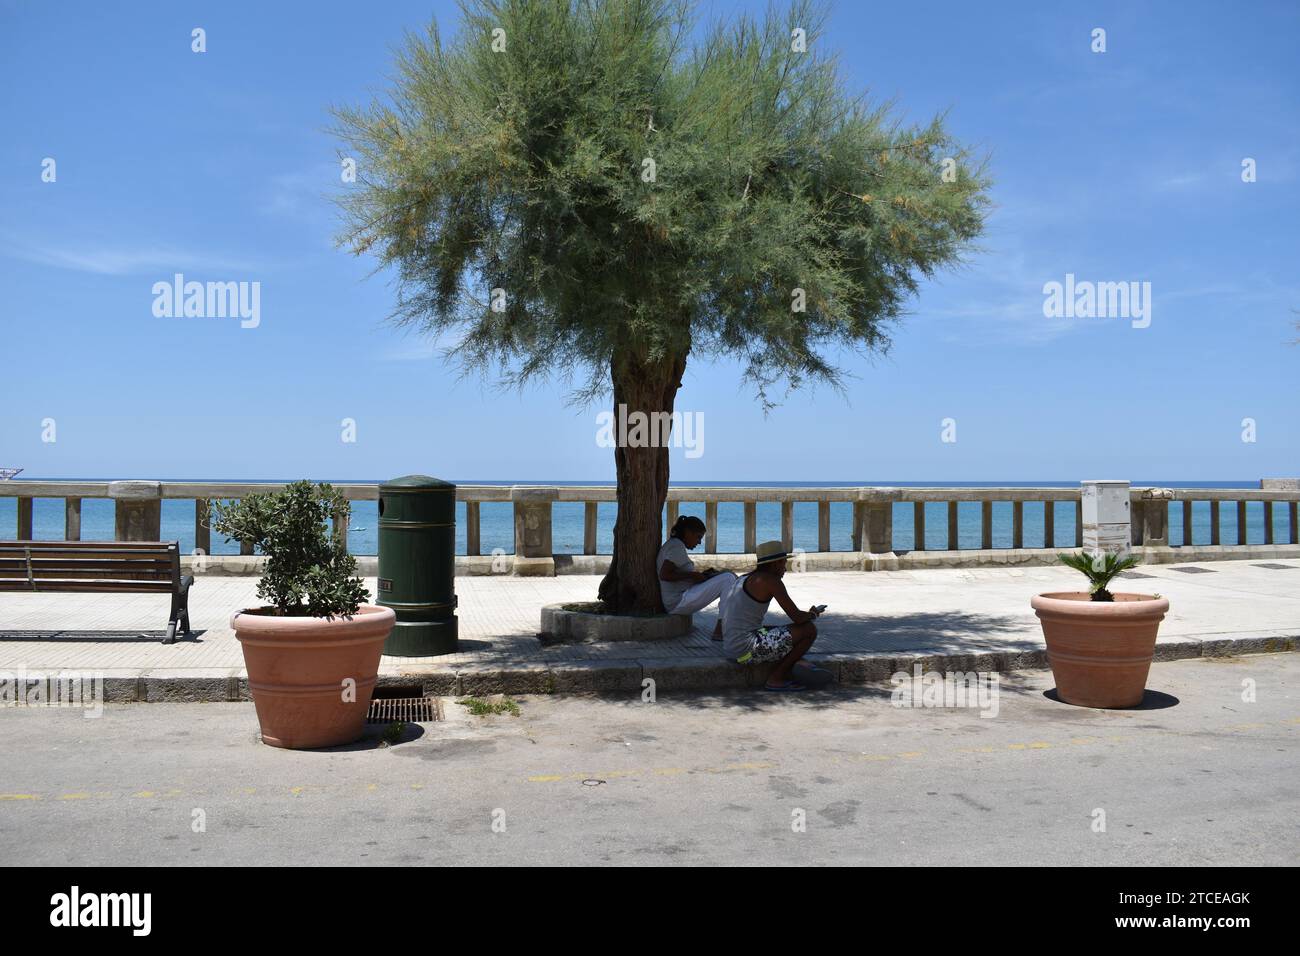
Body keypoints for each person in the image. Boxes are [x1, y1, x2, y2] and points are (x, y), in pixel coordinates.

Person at [721, 540, 823, 691]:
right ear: (775, 564)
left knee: (779, 629)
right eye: (783, 564)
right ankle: (777, 677)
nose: (785, 569)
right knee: (808, 630)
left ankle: (794, 660)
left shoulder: (745, 578)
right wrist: (813, 614)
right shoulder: (771, 581)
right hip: (745, 651)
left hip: (731, 647)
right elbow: (797, 617)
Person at [657, 515, 737, 640]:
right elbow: (665, 574)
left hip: (679, 598)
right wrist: (692, 575)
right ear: (688, 533)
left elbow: (677, 573)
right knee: (728, 579)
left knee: (727, 576)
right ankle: (720, 629)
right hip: (677, 601)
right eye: (698, 537)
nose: (699, 542)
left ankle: (725, 625)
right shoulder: (676, 547)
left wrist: (700, 575)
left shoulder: (674, 545)